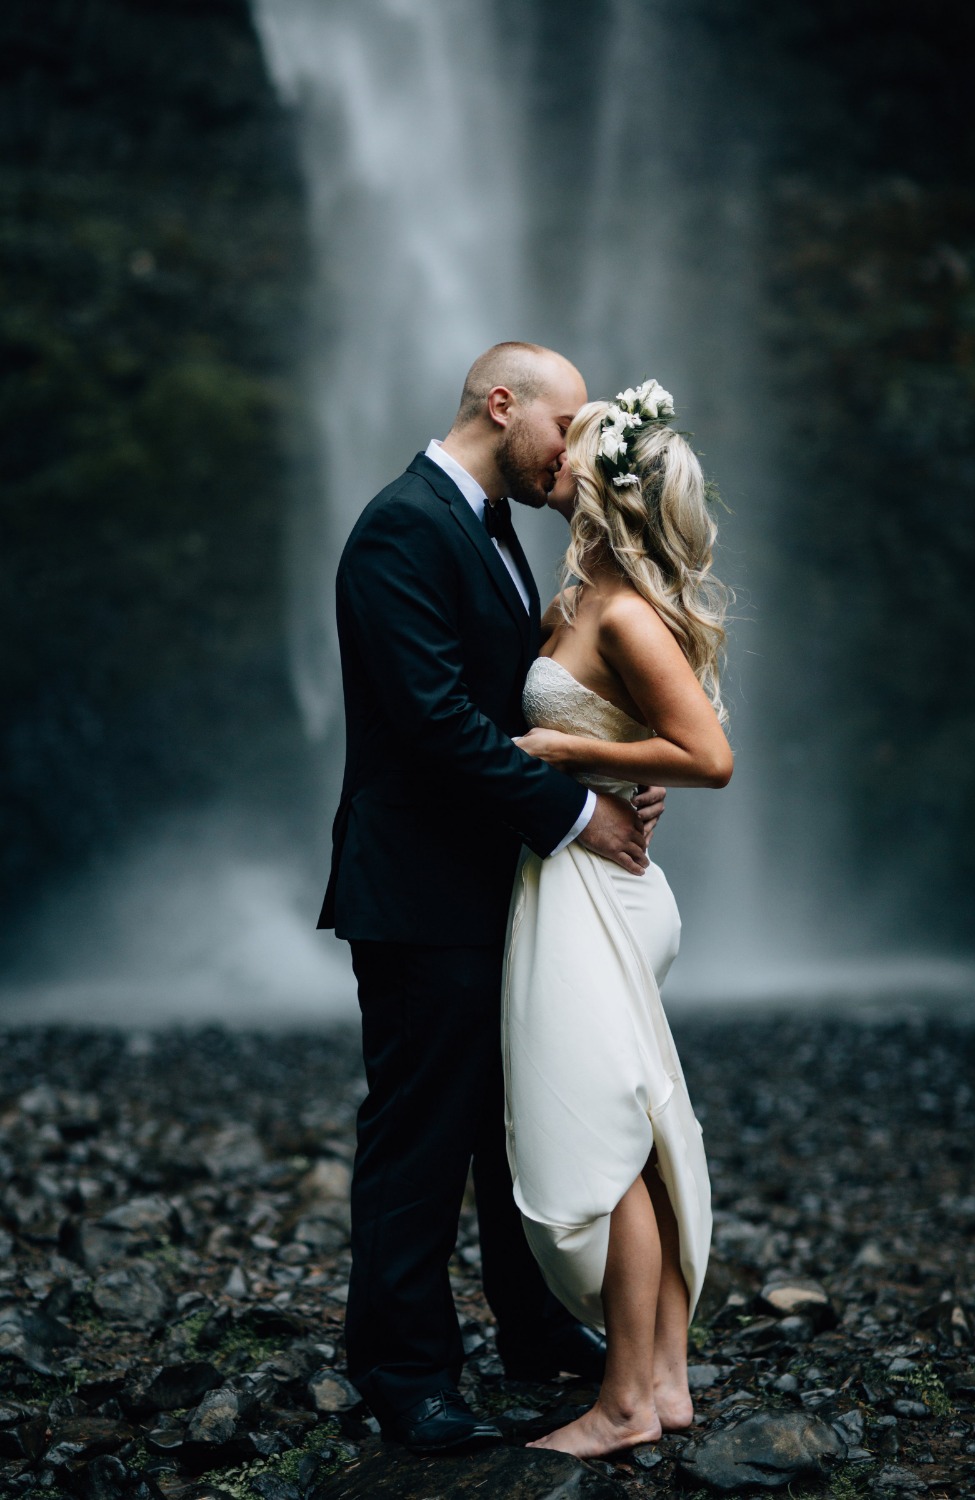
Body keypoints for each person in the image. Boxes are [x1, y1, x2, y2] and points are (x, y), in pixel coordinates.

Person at [317, 344, 667, 1454]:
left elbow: (510, 699)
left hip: (495, 879)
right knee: (419, 1135)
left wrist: (611, 767)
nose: (573, 452)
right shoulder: (400, 526)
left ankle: (528, 1329)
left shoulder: (490, 525)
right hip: (419, 887)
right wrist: (578, 818)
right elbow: (433, 723)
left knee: (511, 1120)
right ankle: (405, 1376)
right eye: (563, 424)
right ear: (500, 403)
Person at [503, 380, 733, 1458]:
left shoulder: (625, 613)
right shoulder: (579, 597)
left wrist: (567, 754)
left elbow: (709, 758)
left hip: (602, 894)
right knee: (632, 1138)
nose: (551, 452)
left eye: (572, 442)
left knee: (606, 1144)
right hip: (575, 887)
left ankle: (622, 1401)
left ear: (594, 482)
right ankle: (666, 1388)